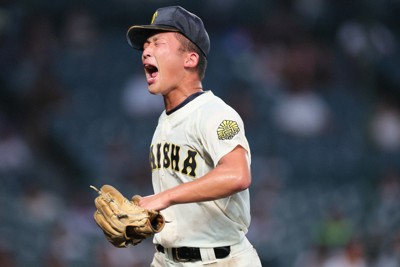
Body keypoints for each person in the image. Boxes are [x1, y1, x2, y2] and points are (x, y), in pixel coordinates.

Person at [126, 6, 262, 266]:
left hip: (220, 259)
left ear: (189, 59)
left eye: (158, 42)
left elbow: (238, 175)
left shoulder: (216, 113)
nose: (146, 50)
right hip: (166, 259)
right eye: (145, 44)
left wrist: (164, 198)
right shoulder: (165, 120)